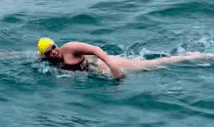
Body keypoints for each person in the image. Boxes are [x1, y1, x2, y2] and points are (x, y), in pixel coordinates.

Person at [37, 38, 213, 79]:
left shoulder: (69, 48)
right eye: (48, 52)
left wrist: (112, 66)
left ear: (55, 44)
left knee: (154, 64)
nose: (53, 52)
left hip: (104, 65)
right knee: (149, 71)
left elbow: (97, 50)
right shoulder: (50, 61)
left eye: (53, 47)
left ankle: (199, 57)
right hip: (99, 74)